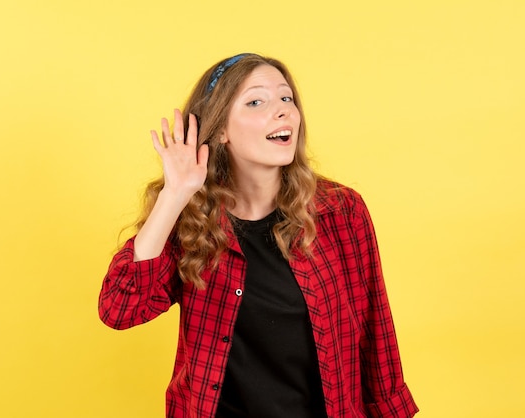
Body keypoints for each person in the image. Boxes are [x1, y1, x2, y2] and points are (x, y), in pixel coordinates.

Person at [98, 53, 418, 418]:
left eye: (286, 98)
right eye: (256, 102)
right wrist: (174, 195)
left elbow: (376, 333)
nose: (282, 111)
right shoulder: (189, 221)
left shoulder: (340, 212)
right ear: (220, 130)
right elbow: (119, 310)